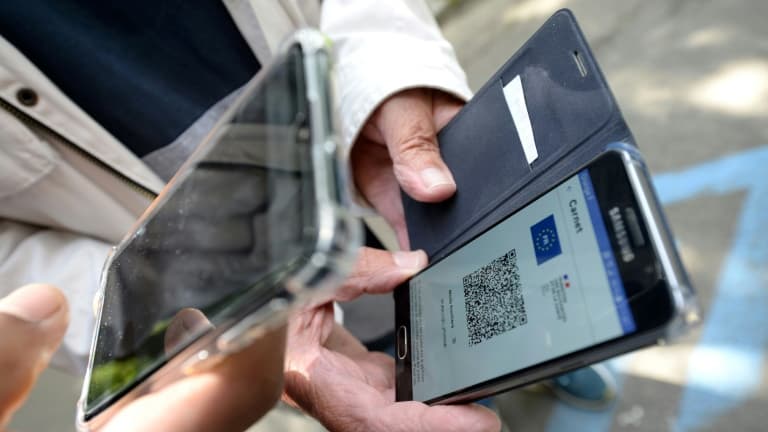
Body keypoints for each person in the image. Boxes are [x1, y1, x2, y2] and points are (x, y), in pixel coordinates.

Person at [0, 0, 501, 431]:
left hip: (368, 144)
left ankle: (518, 358)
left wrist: (384, 78)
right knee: (410, 374)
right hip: (262, 303)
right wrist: (199, 306)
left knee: (477, 303)